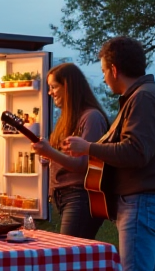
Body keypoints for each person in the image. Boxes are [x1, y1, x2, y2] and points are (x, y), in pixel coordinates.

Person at [63, 36, 155, 271]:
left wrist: (88, 147)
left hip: (142, 202)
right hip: (150, 201)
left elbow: (136, 151)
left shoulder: (143, 98)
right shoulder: (147, 95)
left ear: (114, 69)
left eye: (103, 70)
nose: (103, 77)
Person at [31, 63, 109, 239]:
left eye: (53, 87)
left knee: (69, 253)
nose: (50, 92)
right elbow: (65, 156)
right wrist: (49, 157)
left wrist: (50, 153)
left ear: (67, 86)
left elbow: (83, 165)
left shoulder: (91, 117)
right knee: (71, 255)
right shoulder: (67, 118)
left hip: (81, 196)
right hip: (65, 197)